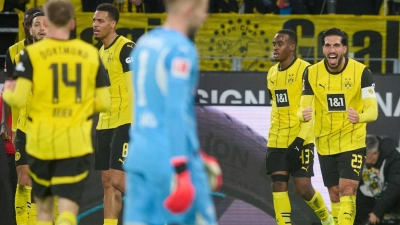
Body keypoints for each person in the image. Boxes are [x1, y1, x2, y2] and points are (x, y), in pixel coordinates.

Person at [2, 0, 111, 225]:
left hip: (41, 135)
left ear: (49, 24)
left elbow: (17, 97)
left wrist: (9, 93)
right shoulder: (89, 54)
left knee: (43, 201)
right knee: (64, 198)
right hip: (73, 138)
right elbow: (103, 103)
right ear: (72, 24)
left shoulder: (31, 55)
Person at [123, 0, 220, 224]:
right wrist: (182, 166)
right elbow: (175, 111)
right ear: (189, 7)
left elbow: (148, 106)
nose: (205, 16)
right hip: (171, 161)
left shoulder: (144, 44)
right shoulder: (182, 49)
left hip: (139, 158)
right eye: (204, 9)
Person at [298, 27, 378, 225]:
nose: (331, 50)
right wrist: (302, 115)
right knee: (334, 195)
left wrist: (358, 118)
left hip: (352, 141)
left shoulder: (361, 72)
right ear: (323, 49)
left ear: (344, 49)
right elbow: (301, 109)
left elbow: (373, 111)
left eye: (336, 45)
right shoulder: (311, 73)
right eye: (327, 45)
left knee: (348, 190)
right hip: (325, 143)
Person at [266, 29, 333, 225]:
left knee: (303, 188)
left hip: (300, 138)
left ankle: (326, 218)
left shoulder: (307, 71)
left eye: (280, 44)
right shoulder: (271, 73)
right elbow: (276, 105)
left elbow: (310, 111)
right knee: (278, 184)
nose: (275, 48)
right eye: (274, 44)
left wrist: (299, 141)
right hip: (276, 139)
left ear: (292, 46)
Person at [92, 3, 134, 225]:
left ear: (113, 23)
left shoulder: (127, 48)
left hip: (125, 121)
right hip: (104, 124)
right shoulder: (99, 52)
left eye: (100, 21)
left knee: (119, 179)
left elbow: (135, 88)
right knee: (108, 183)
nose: (95, 25)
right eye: (94, 21)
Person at [3, 7, 41, 225]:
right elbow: (9, 89)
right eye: (29, 24)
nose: (30, 27)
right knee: (23, 178)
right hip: (23, 125)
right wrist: (5, 122)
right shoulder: (15, 52)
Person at [354, 135, 400, 225]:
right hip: (364, 204)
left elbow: (394, 188)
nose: (363, 161)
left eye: (365, 158)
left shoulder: (394, 159)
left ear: (375, 153)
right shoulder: (362, 154)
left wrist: (377, 212)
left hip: (386, 206)